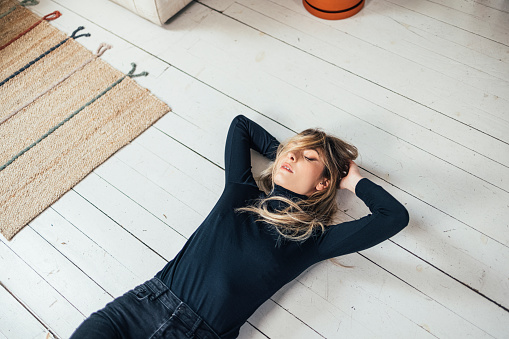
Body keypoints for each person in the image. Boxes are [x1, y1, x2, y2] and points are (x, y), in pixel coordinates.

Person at [70, 115, 409, 339]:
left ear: (324, 183)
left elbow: (393, 216)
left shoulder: (312, 239)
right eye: (293, 151)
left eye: (309, 158)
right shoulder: (241, 190)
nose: (292, 157)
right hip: (139, 307)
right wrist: (287, 157)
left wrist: (352, 180)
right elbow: (240, 126)